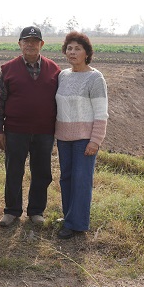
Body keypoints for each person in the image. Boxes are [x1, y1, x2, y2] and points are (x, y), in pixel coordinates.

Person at [0, 26, 61, 228]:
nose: (30, 44)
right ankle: (12, 211)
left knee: (42, 172)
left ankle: (36, 211)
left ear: (42, 44)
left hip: (44, 132)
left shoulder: (54, 70)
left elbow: (60, 101)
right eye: (26, 41)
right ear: (20, 44)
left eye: (34, 41)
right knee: (14, 171)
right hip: (15, 130)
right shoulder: (8, 69)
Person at [55, 31, 108, 239]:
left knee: (81, 180)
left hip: (84, 139)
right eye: (69, 48)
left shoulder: (95, 78)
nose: (72, 52)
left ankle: (77, 224)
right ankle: (69, 217)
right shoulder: (63, 75)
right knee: (66, 178)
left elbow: (101, 113)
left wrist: (95, 140)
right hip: (63, 138)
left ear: (87, 53)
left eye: (77, 48)